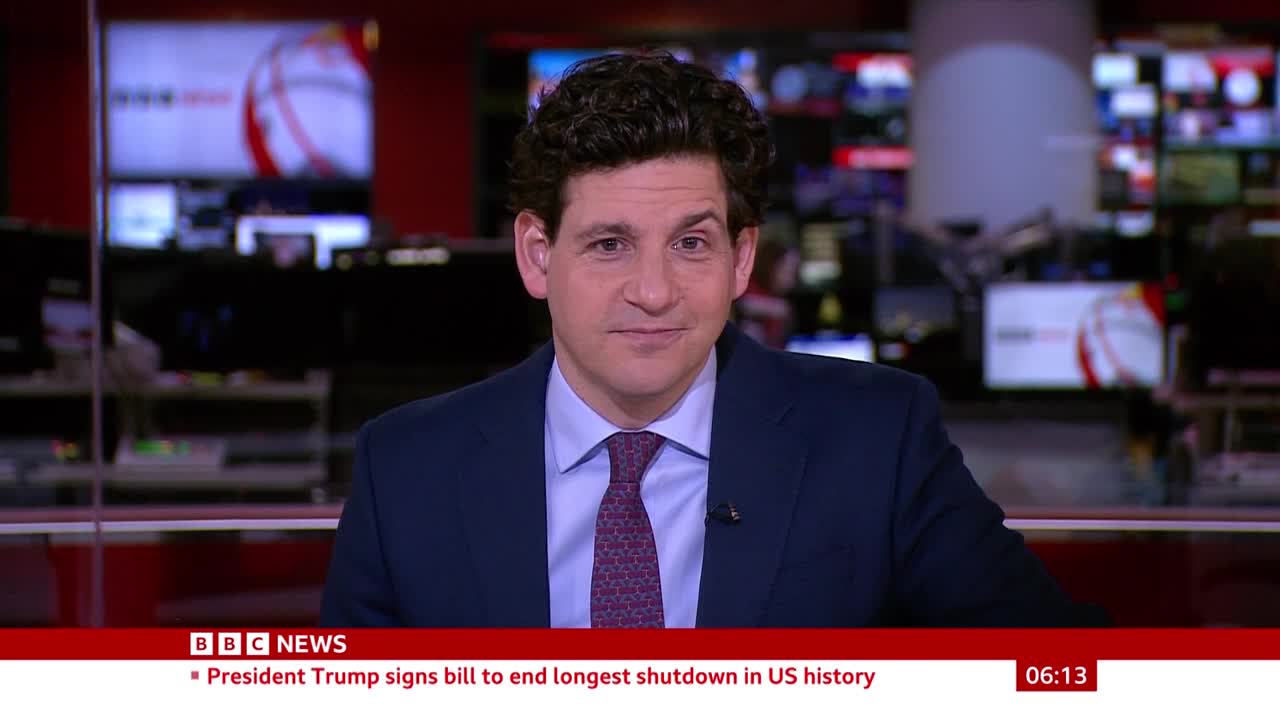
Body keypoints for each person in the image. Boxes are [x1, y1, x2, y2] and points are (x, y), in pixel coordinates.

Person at [321, 51, 1105, 628]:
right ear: (536, 256)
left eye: (691, 243)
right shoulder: (408, 467)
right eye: (609, 245)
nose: (655, 291)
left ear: (742, 259)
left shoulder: (878, 440)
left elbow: (1058, 669)